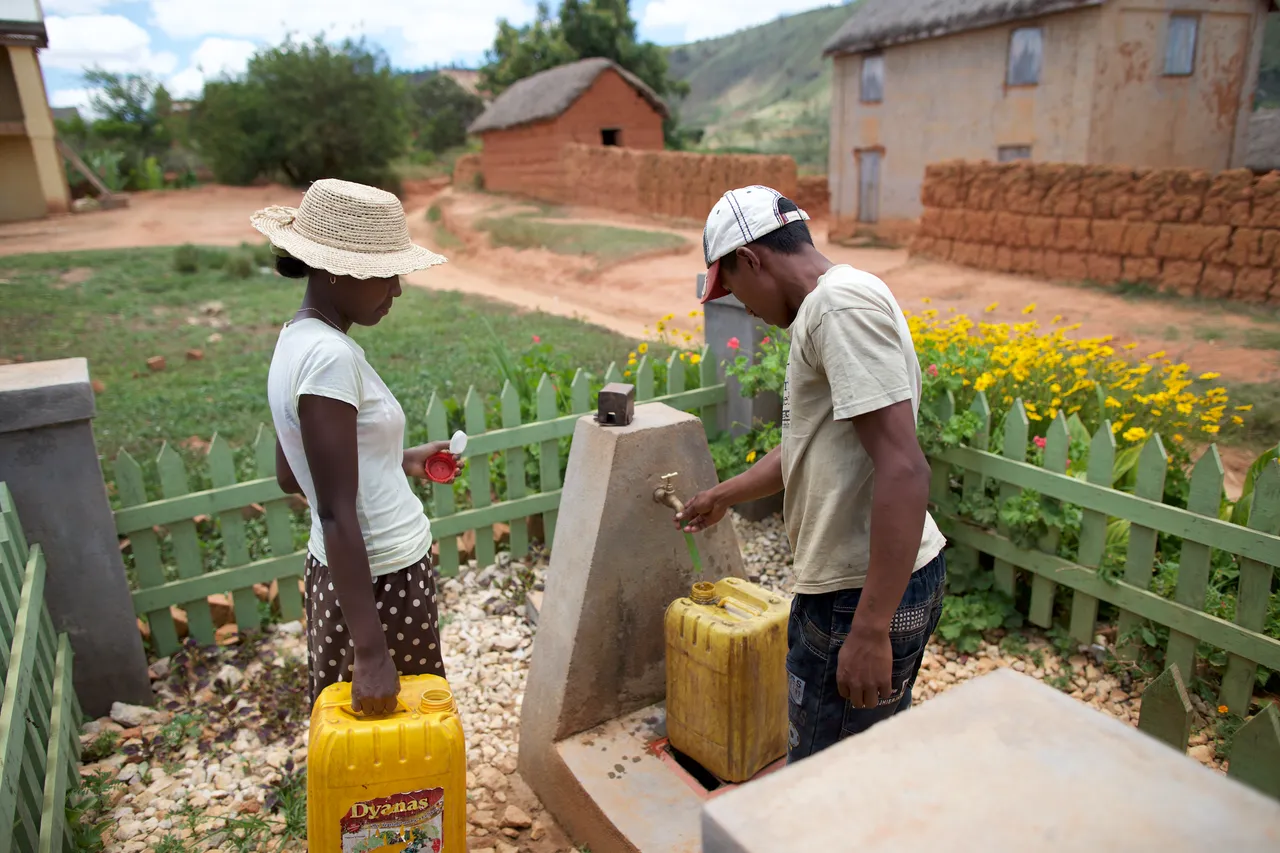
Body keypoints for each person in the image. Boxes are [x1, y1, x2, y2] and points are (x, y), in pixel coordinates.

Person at [676, 186, 947, 762]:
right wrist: (723, 495)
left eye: (731, 287)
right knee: (859, 758)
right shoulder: (837, 302)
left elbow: (904, 468)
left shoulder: (837, 309)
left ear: (751, 259)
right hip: (854, 584)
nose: (741, 306)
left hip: (857, 591)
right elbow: (810, 442)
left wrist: (870, 629)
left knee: (829, 777)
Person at [252, 178, 462, 715]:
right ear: (333, 270)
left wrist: (402, 460)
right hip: (380, 580)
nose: (396, 289)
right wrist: (371, 651)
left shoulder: (296, 339)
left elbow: (289, 473)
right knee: (396, 750)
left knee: (378, 750)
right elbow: (335, 510)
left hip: (346, 578)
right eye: (385, 273)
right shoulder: (331, 359)